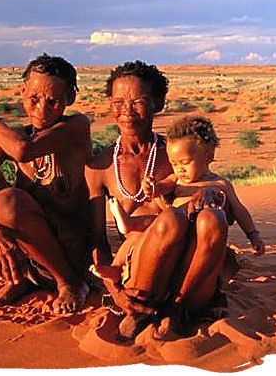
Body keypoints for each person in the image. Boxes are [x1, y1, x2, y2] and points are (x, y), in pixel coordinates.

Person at [86, 61, 231, 339]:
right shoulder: (100, 166)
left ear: (158, 103)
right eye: (118, 102)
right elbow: (97, 240)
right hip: (141, 277)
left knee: (212, 217)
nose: (126, 111)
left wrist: (213, 193)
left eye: (138, 101)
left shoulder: (179, 154)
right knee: (172, 220)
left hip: (189, 274)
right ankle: (141, 311)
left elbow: (218, 192)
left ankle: (175, 310)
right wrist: (114, 291)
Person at [0, 54, 93, 314]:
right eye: (34, 99)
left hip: (73, 250)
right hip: (25, 252)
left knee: (8, 202)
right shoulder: (15, 137)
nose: (42, 109)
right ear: (22, 91)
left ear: (70, 100)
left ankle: (70, 283)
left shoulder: (76, 127)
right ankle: (19, 279)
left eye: (53, 101)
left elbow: (23, 151)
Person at [110, 115, 265, 255]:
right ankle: (121, 251)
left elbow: (239, 210)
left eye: (185, 163)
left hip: (201, 231)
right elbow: (162, 187)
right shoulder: (176, 179)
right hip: (174, 226)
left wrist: (253, 235)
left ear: (208, 156)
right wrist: (152, 187)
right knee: (145, 230)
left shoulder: (221, 184)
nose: (179, 169)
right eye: (174, 163)